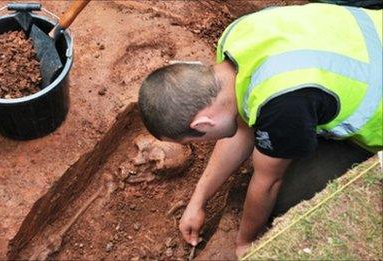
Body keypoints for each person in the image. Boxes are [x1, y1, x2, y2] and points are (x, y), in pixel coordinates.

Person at [138, 3, 382, 258]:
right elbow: (243, 125)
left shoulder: (282, 104)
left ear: (203, 125)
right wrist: (198, 200)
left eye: (198, 139)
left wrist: (246, 242)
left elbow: (268, 183)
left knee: (287, 196)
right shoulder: (236, 38)